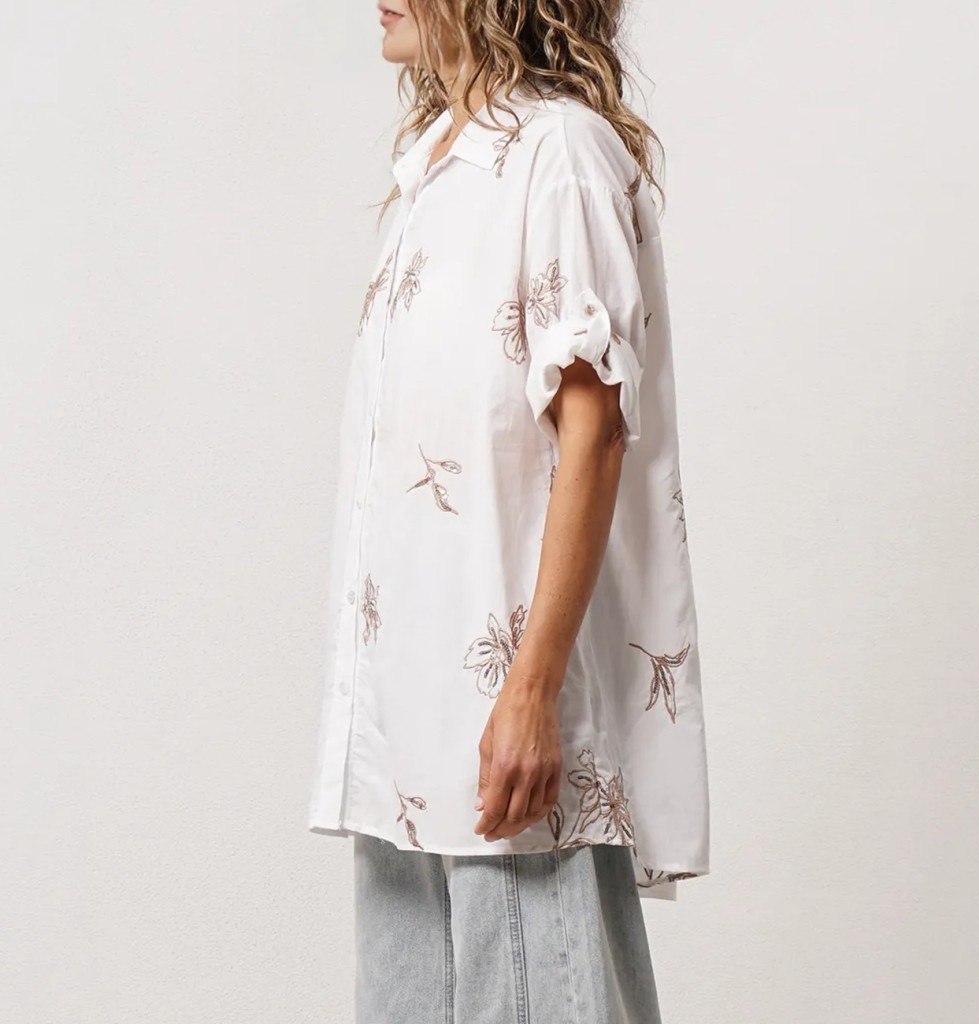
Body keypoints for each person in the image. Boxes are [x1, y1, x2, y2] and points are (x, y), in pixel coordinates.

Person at [308, 2, 711, 1020]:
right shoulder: (435, 172)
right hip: (405, 742)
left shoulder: (557, 155)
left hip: (509, 733)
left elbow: (594, 431)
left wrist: (531, 694)